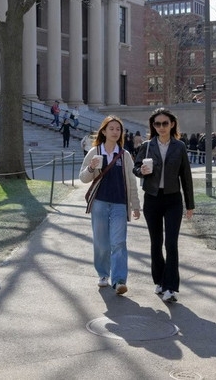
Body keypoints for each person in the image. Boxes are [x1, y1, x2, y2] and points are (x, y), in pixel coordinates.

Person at [133, 108, 194, 304]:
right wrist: (141, 171)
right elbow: (136, 167)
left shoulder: (179, 147)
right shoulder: (147, 146)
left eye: (165, 123)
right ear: (153, 126)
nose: (161, 127)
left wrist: (190, 204)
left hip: (173, 199)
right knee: (156, 242)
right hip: (152, 198)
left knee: (171, 244)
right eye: (157, 124)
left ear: (172, 124)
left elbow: (186, 176)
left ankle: (171, 287)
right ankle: (159, 280)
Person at [79, 115, 140, 295]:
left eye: (118, 129)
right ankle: (103, 274)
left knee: (119, 242)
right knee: (101, 242)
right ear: (104, 131)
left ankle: (119, 280)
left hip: (120, 204)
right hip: (100, 203)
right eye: (111, 128)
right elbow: (83, 178)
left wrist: (136, 205)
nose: (115, 132)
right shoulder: (95, 152)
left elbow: (131, 181)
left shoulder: (124, 155)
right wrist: (91, 168)